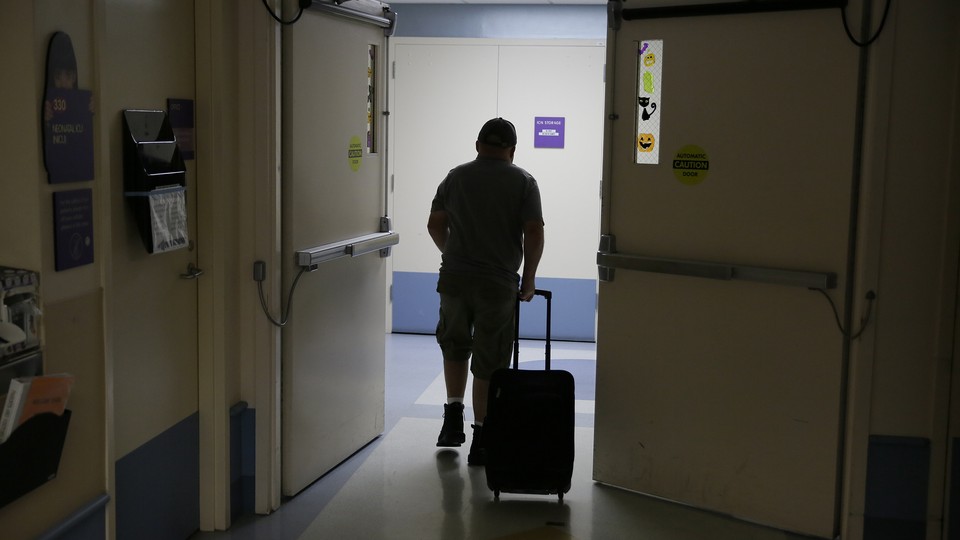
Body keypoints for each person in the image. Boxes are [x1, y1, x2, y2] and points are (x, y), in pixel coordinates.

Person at [427, 117, 545, 466]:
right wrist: (529, 278)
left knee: (454, 345)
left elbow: (435, 224)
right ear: (512, 150)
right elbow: (534, 232)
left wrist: (451, 254)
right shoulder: (524, 181)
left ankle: (452, 420)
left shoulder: (455, 177)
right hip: (497, 283)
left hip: (455, 279)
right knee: (490, 358)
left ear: (478, 145)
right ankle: (481, 437)